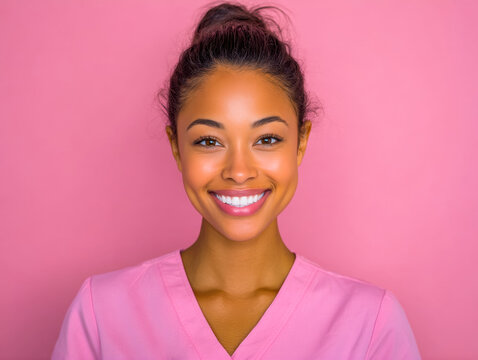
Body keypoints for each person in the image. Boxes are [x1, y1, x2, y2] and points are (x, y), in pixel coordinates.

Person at [51, 2, 422, 359]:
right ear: (177, 148)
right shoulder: (101, 314)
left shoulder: (371, 323)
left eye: (267, 139)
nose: (239, 171)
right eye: (209, 141)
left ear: (300, 142)